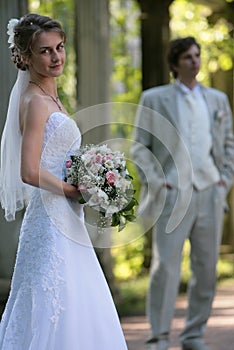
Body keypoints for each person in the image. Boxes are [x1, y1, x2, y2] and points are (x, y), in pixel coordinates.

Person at [0, 13, 128, 350]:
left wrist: (92, 177)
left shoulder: (51, 98)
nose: (56, 57)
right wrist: (74, 189)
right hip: (51, 219)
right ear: (25, 56)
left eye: (59, 48)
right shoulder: (36, 102)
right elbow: (28, 171)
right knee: (51, 298)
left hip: (68, 217)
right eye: (45, 51)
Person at [131, 37, 234, 350]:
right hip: (173, 194)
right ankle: (159, 337)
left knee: (206, 269)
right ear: (175, 64)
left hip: (210, 193)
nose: (195, 61)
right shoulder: (154, 98)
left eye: (197, 55)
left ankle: (193, 335)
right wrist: (159, 182)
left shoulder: (217, 100)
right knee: (166, 268)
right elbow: (139, 147)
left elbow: (228, 145)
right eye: (188, 57)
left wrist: (224, 181)